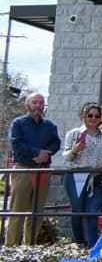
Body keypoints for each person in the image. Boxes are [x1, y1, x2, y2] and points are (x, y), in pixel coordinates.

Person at [6, 92, 61, 246]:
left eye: (40, 102)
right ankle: (10, 248)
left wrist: (46, 154)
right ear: (27, 104)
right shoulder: (18, 123)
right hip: (23, 169)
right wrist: (37, 153)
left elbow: (56, 143)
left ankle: (29, 247)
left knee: (36, 212)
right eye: (34, 102)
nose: (38, 105)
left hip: (43, 170)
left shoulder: (49, 125)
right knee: (17, 210)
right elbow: (16, 144)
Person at [62, 101, 102, 247]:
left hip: (96, 178)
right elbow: (66, 156)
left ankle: (92, 246)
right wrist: (74, 150)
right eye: (90, 115)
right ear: (83, 117)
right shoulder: (74, 134)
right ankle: (79, 243)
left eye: (97, 116)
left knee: (92, 212)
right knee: (77, 212)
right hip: (76, 176)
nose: (93, 118)